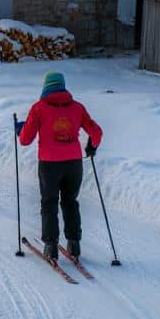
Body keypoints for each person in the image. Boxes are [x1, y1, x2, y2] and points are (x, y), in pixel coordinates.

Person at [16, 71, 103, 261]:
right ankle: (74, 244)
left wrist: (20, 129)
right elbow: (96, 132)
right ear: (63, 86)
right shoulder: (77, 108)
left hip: (49, 164)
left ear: (46, 87)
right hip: (74, 163)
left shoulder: (39, 108)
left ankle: (51, 246)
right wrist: (92, 146)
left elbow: (25, 140)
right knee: (70, 201)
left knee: (49, 203)